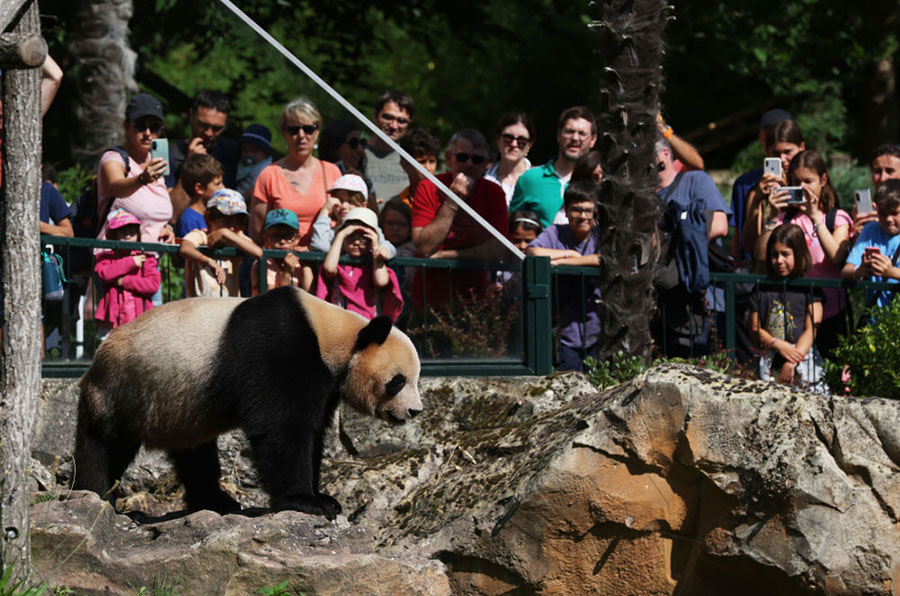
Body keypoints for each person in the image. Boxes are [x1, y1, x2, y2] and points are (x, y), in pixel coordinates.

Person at [751, 150, 852, 358]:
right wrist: (771, 215)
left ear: (823, 179)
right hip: (793, 317)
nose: (803, 188)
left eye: (808, 181)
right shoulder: (785, 219)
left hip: (831, 314)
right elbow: (761, 255)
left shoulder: (836, 218)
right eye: (797, 182)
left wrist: (815, 217)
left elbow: (836, 256)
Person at [411, 128, 509, 310]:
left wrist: (447, 256)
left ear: (486, 164)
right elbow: (423, 247)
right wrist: (452, 200)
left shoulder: (493, 193)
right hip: (430, 301)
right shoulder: (429, 187)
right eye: (462, 158)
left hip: (475, 301)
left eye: (477, 159)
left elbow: (498, 249)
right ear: (449, 158)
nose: (469, 164)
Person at [654, 137, 731, 356]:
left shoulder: (695, 180)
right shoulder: (642, 194)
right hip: (659, 303)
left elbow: (720, 225)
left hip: (698, 301)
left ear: (665, 155)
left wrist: (674, 236)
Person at [526, 181, 602, 371]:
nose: (583, 216)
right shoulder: (555, 233)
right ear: (566, 211)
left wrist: (560, 262)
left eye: (588, 210)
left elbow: (602, 260)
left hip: (597, 331)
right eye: (576, 210)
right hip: (564, 333)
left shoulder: (602, 236)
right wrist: (570, 254)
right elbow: (533, 251)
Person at [250, 97, 341, 246]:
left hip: (322, 263)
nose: (301, 136)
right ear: (284, 133)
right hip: (280, 262)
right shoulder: (269, 175)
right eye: (293, 130)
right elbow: (258, 235)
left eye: (308, 129)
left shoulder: (332, 172)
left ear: (317, 131)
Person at [749, 224, 826, 394]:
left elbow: (812, 328)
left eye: (785, 254)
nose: (779, 260)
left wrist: (792, 360)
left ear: (798, 254)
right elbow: (755, 328)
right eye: (774, 255)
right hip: (770, 356)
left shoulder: (810, 288)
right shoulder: (761, 288)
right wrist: (777, 345)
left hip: (803, 357)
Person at [96, 92, 174, 247]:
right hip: (115, 262)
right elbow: (115, 187)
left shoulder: (157, 163)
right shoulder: (114, 158)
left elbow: (156, 214)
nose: (147, 133)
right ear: (126, 126)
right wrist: (142, 179)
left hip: (150, 265)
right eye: (140, 126)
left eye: (154, 127)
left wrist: (167, 228)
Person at [509, 106, 598, 228]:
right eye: (569, 131)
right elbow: (511, 230)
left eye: (582, 134)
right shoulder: (530, 179)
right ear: (558, 135)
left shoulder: (597, 182)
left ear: (593, 140)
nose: (575, 138)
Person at [316, 207, 403, 321]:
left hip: (366, 322)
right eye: (351, 237)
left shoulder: (373, 262)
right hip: (339, 319)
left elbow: (381, 281)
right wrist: (341, 235)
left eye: (364, 239)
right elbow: (329, 269)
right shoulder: (339, 260)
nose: (357, 242)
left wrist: (376, 246)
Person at [730, 109, 794, 261]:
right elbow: (740, 234)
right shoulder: (745, 185)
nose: (782, 158)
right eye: (770, 136)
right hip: (754, 265)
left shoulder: (806, 182)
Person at [741, 119, 807, 259]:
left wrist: (787, 189)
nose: (782, 159)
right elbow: (748, 245)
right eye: (776, 154)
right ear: (767, 152)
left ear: (802, 147)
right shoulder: (758, 192)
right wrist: (756, 203)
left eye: (788, 152)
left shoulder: (811, 185)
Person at [180, 189, 262, 297]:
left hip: (229, 308)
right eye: (227, 221)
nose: (232, 227)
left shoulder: (236, 237)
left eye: (239, 222)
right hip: (200, 308)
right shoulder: (201, 235)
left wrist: (225, 233)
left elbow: (258, 252)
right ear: (209, 217)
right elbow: (185, 248)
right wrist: (207, 261)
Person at [94, 209, 161, 334]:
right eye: (123, 233)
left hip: (141, 319)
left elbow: (153, 285)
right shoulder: (104, 257)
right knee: (110, 351)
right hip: (111, 319)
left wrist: (124, 281)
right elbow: (105, 273)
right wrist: (131, 263)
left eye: (132, 233)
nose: (128, 236)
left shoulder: (147, 259)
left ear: (138, 235)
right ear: (113, 235)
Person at [842, 179, 900, 311]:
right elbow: (846, 270)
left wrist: (891, 272)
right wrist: (860, 271)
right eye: (883, 214)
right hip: (876, 320)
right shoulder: (871, 229)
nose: (888, 219)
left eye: (894, 213)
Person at [310, 174, 396, 256]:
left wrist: (384, 249)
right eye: (339, 200)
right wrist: (325, 211)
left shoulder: (370, 228)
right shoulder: (333, 232)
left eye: (351, 202)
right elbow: (319, 246)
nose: (344, 206)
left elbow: (390, 248)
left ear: (363, 206)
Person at [365, 90, 414, 201]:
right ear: (375, 116)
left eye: (401, 120)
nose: (394, 126)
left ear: (409, 122)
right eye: (388, 117)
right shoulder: (356, 153)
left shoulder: (413, 160)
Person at [251, 208, 308, 295]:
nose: (282, 241)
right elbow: (270, 301)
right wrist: (286, 274)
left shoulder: (300, 263)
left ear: (297, 239)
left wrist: (305, 264)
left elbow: (310, 292)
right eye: (276, 235)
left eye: (288, 235)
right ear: (266, 238)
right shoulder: (262, 263)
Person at [484, 112, 534, 206]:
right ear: (498, 138)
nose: (514, 144)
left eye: (521, 140)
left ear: (530, 144)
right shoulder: (483, 176)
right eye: (508, 138)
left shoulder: (538, 180)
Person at [318, 119, 373, 195]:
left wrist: (363, 185)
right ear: (335, 146)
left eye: (362, 143)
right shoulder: (318, 177)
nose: (360, 149)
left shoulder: (364, 177)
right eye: (353, 143)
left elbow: (373, 206)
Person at [175, 154, 225, 238]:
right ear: (200, 188)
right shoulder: (190, 220)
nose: (223, 188)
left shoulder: (215, 215)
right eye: (217, 184)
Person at [854, 144, 900, 230]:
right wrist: (859, 233)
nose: (883, 178)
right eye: (877, 171)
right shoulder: (869, 210)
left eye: (889, 171)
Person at [394, 127, 441, 208]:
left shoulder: (444, 198)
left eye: (432, 161)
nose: (428, 168)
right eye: (421, 162)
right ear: (404, 164)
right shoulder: (399, 204)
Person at [236, 124, 273, 198]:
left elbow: (254, 188)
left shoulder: (262, 168)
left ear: (265, 153)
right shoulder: (243, 162)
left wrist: (241, 199)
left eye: (254, 151)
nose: (249, 154)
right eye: (246, 150)